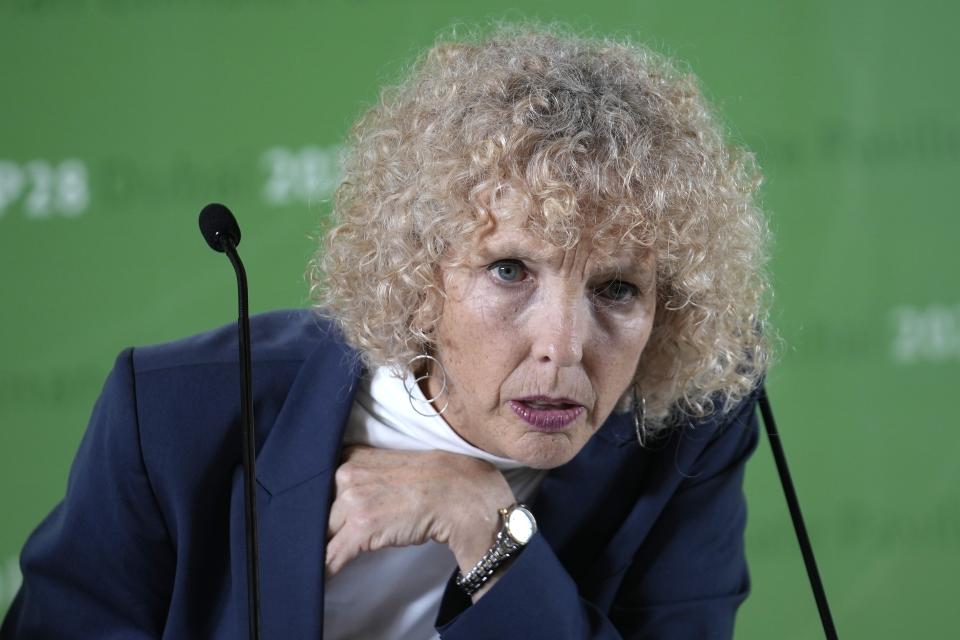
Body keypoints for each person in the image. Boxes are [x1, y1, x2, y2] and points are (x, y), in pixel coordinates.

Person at [2, 24, 771, 639]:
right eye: (510, 270)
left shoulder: (683, 435)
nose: (564, 346)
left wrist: (488, 529)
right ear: (419, 270)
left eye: (616, 288)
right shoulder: (176, 416)